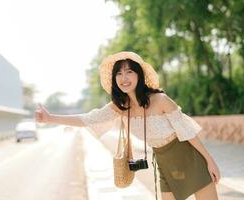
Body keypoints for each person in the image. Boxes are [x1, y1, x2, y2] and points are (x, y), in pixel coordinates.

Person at [35, 51, 220, 200]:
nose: (124, 77)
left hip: (191, 158)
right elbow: (88, 119)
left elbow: (188, 133)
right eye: (119, 73)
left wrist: (210, 161)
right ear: (115, 79)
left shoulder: (160, 100)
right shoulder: (120, 107)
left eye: (129, 71)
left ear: (138, 75)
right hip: (163, 163)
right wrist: (50, 118)